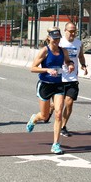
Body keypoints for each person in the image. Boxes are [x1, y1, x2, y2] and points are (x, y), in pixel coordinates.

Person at [26, 27, 75, 155]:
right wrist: (46, 70)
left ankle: (56, 144)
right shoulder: (45, 51)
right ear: (49, 38)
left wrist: (70, 64)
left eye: (58, 39)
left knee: (58, 113)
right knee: (45, 115)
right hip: (45, 85)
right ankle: (34, 119)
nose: (57, 41)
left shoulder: (63, 50)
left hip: (58, 85)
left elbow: (68, 61)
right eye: (54, 39)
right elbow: (33, 68)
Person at [57, 22, 88, 137]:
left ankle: (63, 127)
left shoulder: (78, 43)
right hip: (60, 78)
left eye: (75, 31)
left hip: (72, 78)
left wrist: (83, 65)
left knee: (69, 103)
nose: (73, 33)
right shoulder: (59, 43)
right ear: (65, 31)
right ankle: (49, 112)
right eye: (71, 31)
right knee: (56, 106)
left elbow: (80, 56)